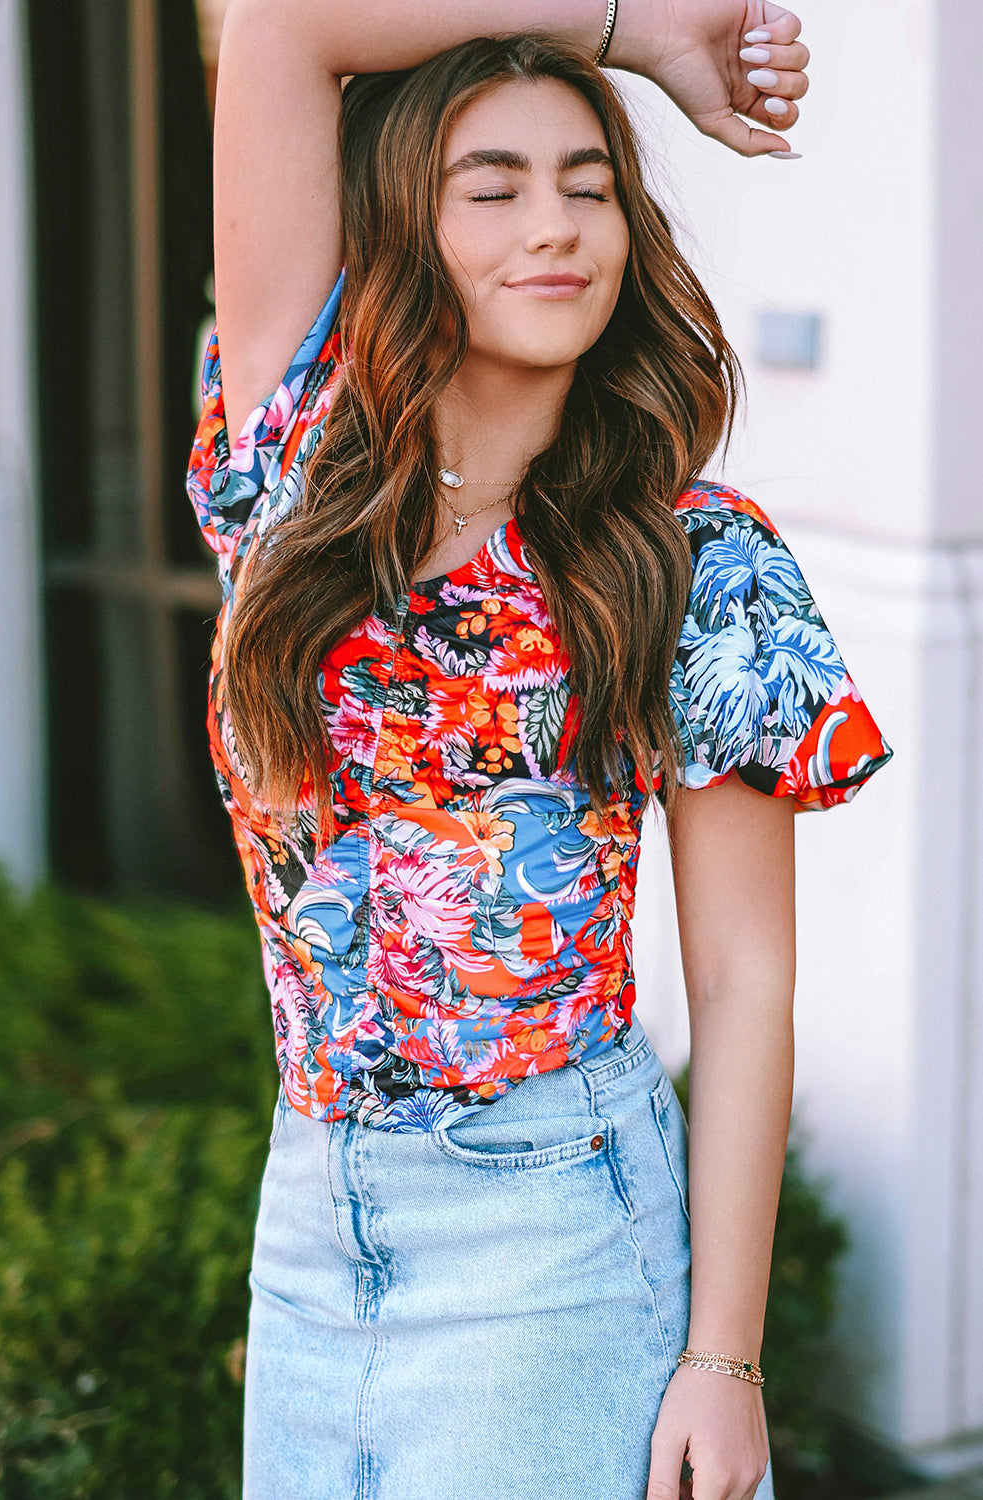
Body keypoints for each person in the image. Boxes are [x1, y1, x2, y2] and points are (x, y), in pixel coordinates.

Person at [186, 4, 891, 1497]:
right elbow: (282, 27)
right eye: (490, 187)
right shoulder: (292, 456)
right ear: (399, 230)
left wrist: (723, 1359)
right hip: (314, 1221)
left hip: (562, 1228)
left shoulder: (696, 563)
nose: (556, 224)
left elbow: (748, 984)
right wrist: (638, 34)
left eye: (588, 182)